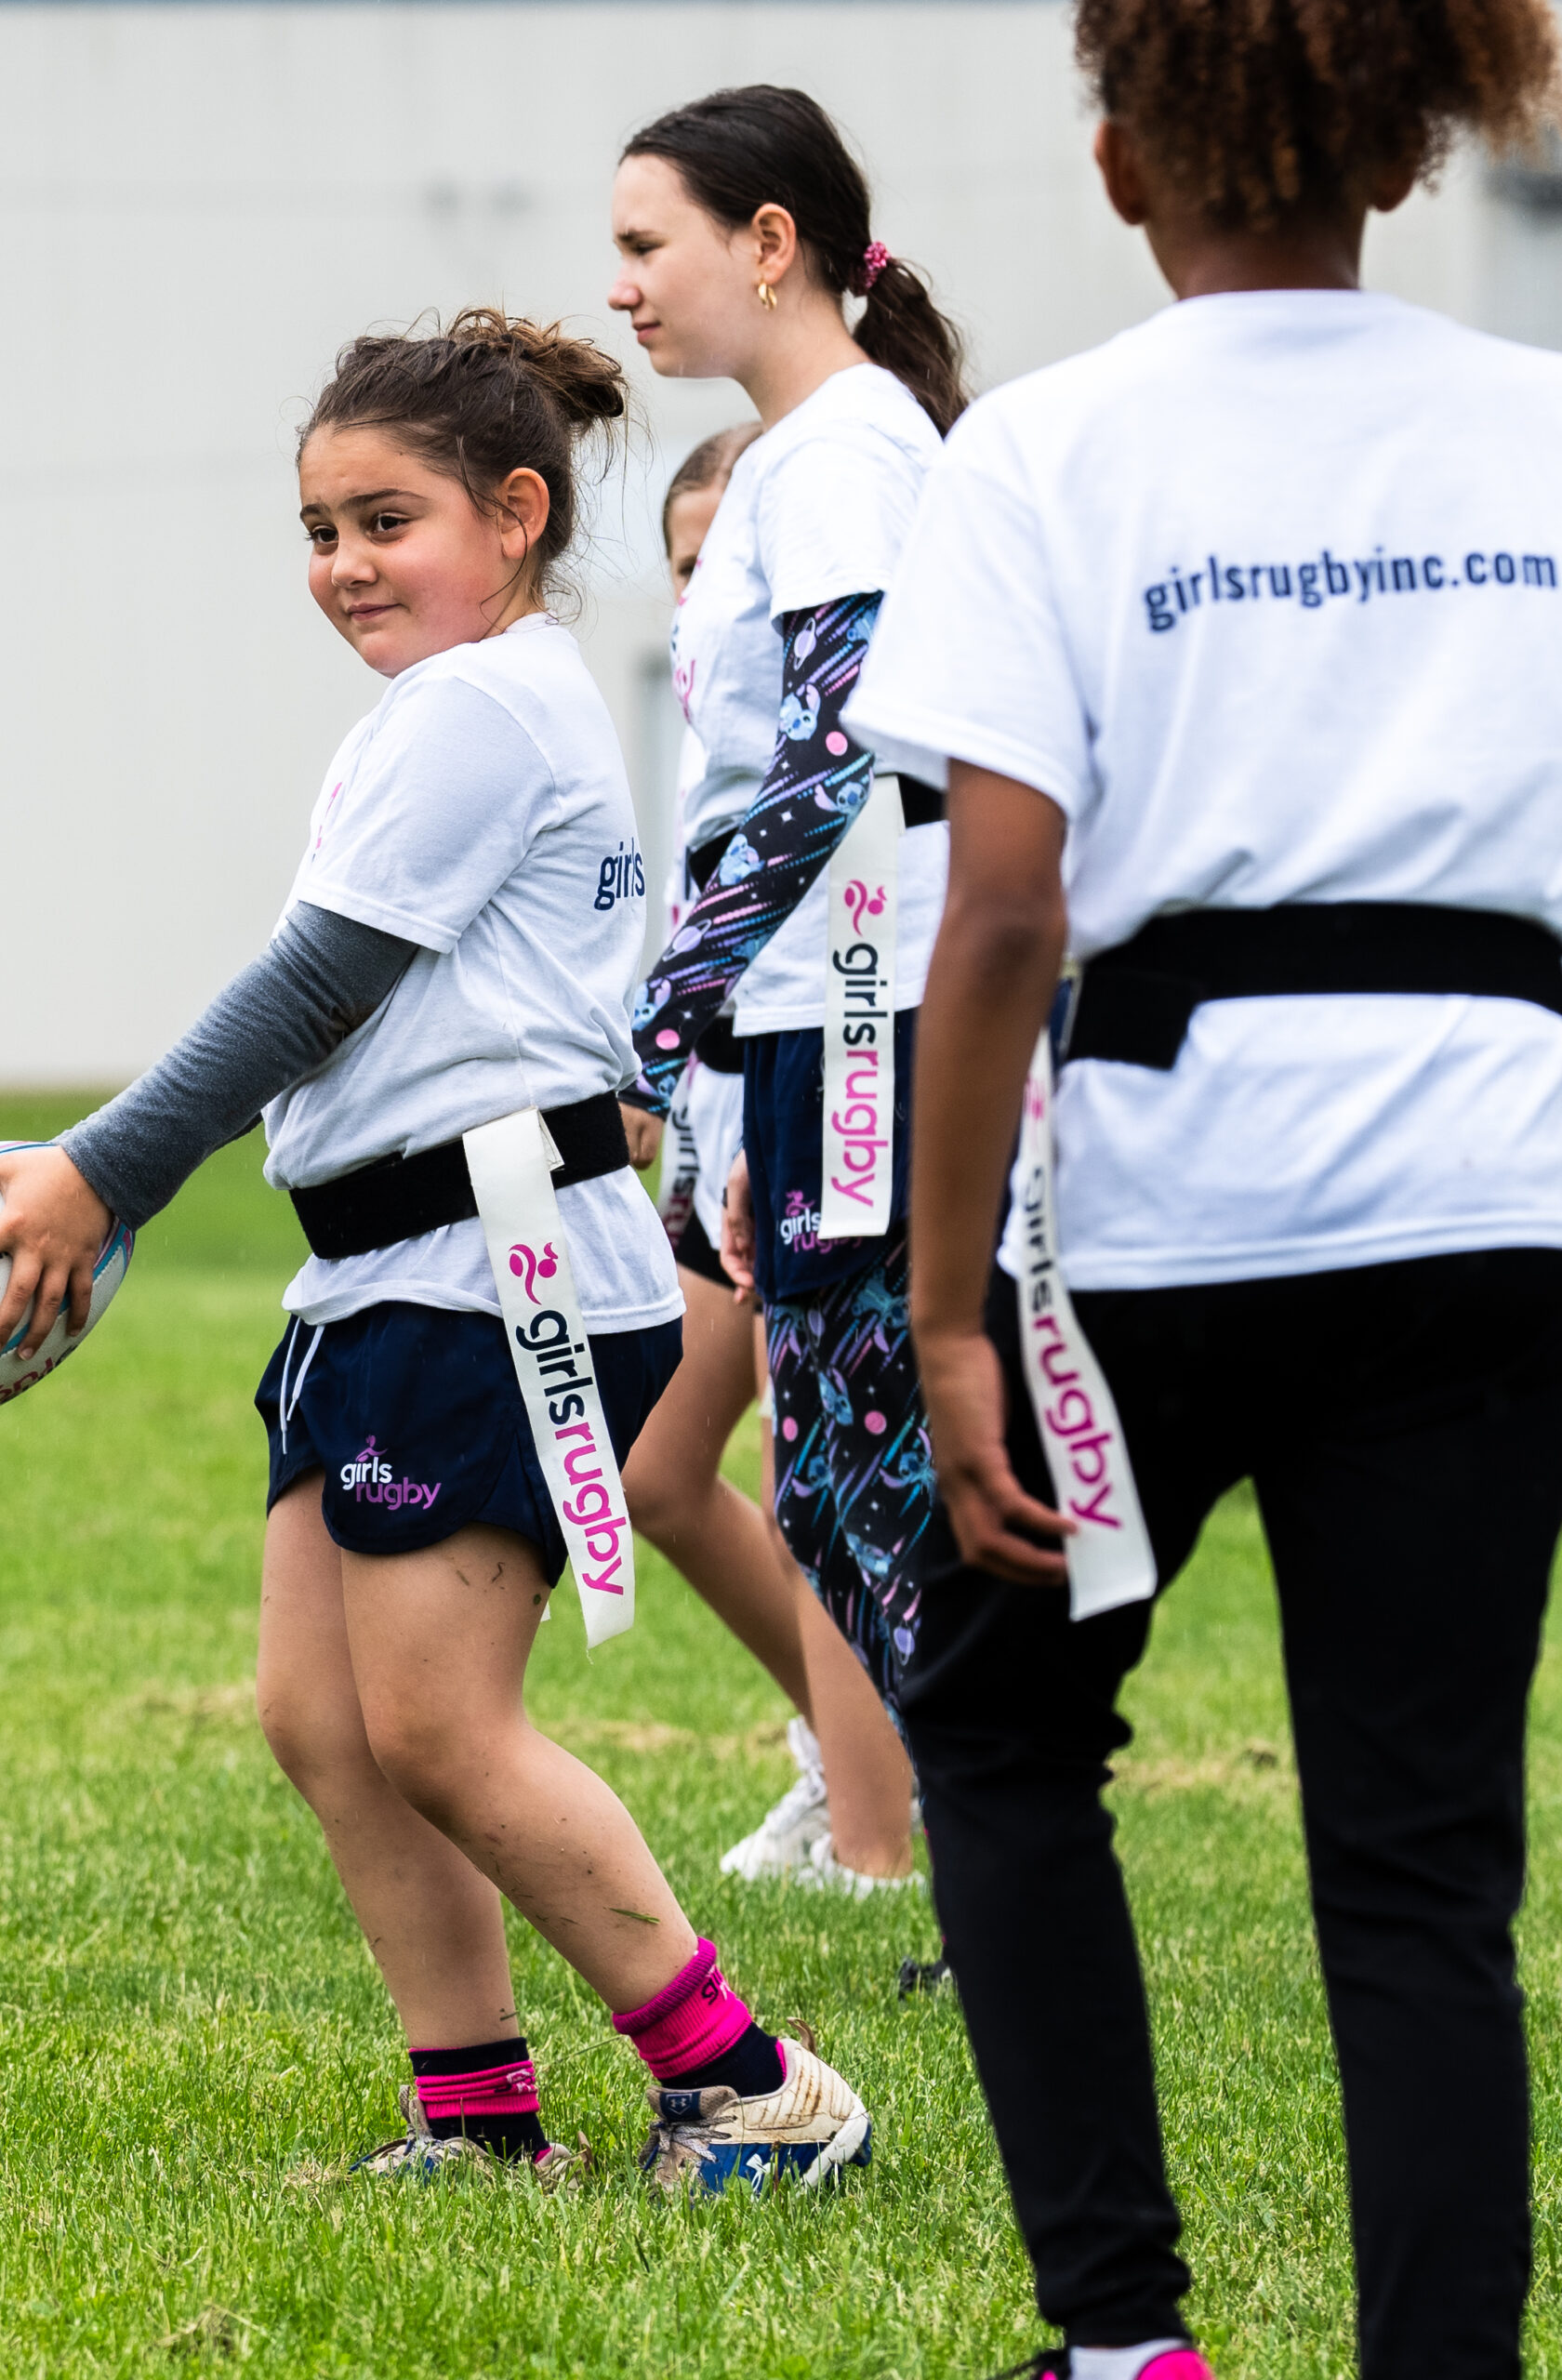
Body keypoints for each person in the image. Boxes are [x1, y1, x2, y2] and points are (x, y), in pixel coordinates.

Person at [0, 311, 873, 2194]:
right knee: (326, 1720)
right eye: (318, 527)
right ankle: (478, 2116)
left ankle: (753, 2082)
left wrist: (98, 1172)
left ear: (511, 516)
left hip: (490, 1267)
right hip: (392, 1265)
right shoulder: (451, 705)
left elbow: (316, 981)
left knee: (440, 1720)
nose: (345, 563)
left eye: (387, 519)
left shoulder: (478, 708)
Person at [844, 0, 1562, 2370]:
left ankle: (1121, 2336)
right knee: (1419, 1856)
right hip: (1488, 1201)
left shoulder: (1043, 451)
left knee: (1002, 1732)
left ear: (1122, 164)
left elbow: (1001, 911)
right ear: (1407, 147)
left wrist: (947, 1315)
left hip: (1156, 1220)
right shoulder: (1537, 423)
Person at [609, 86, 968, 1895]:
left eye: (642, 243)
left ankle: (935, 1852)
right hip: (806, 1032)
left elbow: (844, 765)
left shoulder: (833, 456)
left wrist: (653, 1018)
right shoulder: (801, 451)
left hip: (858, 1024)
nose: (621, 289)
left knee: (863, 1480)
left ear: (767, 243)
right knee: (828, 1474)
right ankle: (911, 1838)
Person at [619, 424, 925, 1895]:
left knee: (811, 1458)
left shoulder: (839, 696)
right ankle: (851, 1748)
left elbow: (824, 882)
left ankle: (875, 1845)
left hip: (828, 1065)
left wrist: (665, 1034)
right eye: (683, 572)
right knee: (656, 1466)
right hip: (725, 1114)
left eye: (715, 571)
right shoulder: (713, 720)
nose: (698, 602)